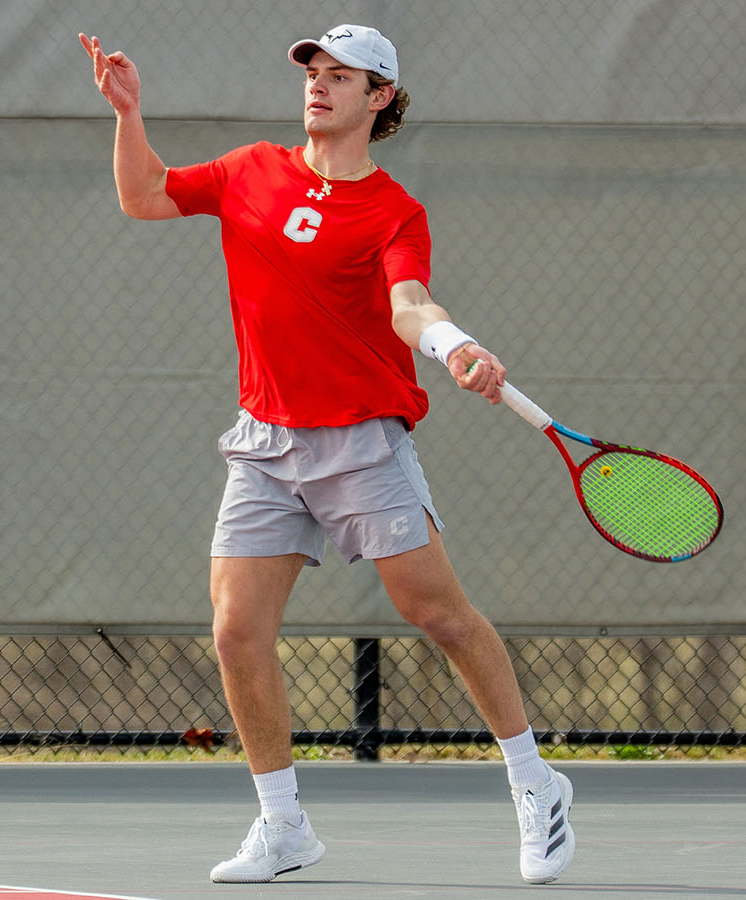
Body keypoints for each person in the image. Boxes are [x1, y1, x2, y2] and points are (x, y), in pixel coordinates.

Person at [80, 24, 575, 886]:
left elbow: (410, 303)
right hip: (266, 439)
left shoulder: (393, 212)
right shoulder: (250, 171)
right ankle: (283, 825)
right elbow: (146, 195)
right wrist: (129, 113)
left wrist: (454, 345)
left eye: (341, 76)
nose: (318, 85)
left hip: (360, 439)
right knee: (237, 633)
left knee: (439, 616)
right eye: (314, 71)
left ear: (379, 98)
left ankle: (536, 782)